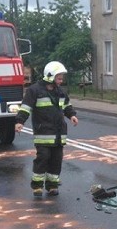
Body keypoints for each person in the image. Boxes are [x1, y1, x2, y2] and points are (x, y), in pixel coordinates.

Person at [15, 61, 79, 197]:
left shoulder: (60, 92)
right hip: (43, 133)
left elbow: (67, 106)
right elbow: (26, 107)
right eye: (59, 78)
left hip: (59, 135)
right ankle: (37, 186)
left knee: (56, 160)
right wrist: (20, 121)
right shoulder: (35, 91)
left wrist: (72, 115)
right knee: (43, 158)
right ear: (50, 76)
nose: (61, 81)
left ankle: (52, 186)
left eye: (62, 78)